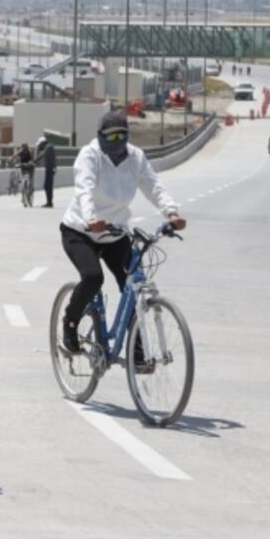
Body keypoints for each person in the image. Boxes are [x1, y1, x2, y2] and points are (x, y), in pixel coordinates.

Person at [60, 110, 186, 360]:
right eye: (111, 135)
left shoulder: (135, 157)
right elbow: (84, 188)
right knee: (93, 277)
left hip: (115, 233)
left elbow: (153, 186)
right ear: (100, 136)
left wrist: (171, 213)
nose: (117, 141)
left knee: (133, 287)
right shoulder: (90, 155)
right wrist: (91, 218)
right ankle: (70, 323)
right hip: (81, 231)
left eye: (122, 135)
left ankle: (136, 350)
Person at [34, 136, 57, 208]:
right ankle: (49, 202)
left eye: (40, 145)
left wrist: (35, 159)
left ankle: (49, 203)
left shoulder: (48, 147)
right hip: (50, 168)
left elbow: (43, 154)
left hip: (49, 169)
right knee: (48, 186)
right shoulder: (50, 146)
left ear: (42, 143)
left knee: (47, 186)